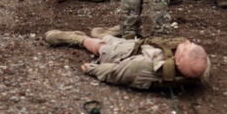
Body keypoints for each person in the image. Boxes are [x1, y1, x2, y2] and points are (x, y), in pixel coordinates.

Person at [43, 28, 210, 90]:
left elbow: (114, 72)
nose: (187, 43)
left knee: (100, 46)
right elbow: (198, 61)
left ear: (177, 62)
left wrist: (91, 69)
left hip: (123, 55)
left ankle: (75, 38)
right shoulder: (200, 66)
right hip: (138, 48)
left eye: (186, 48)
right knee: (116, 40)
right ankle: (105, 34)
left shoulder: (144, 67)